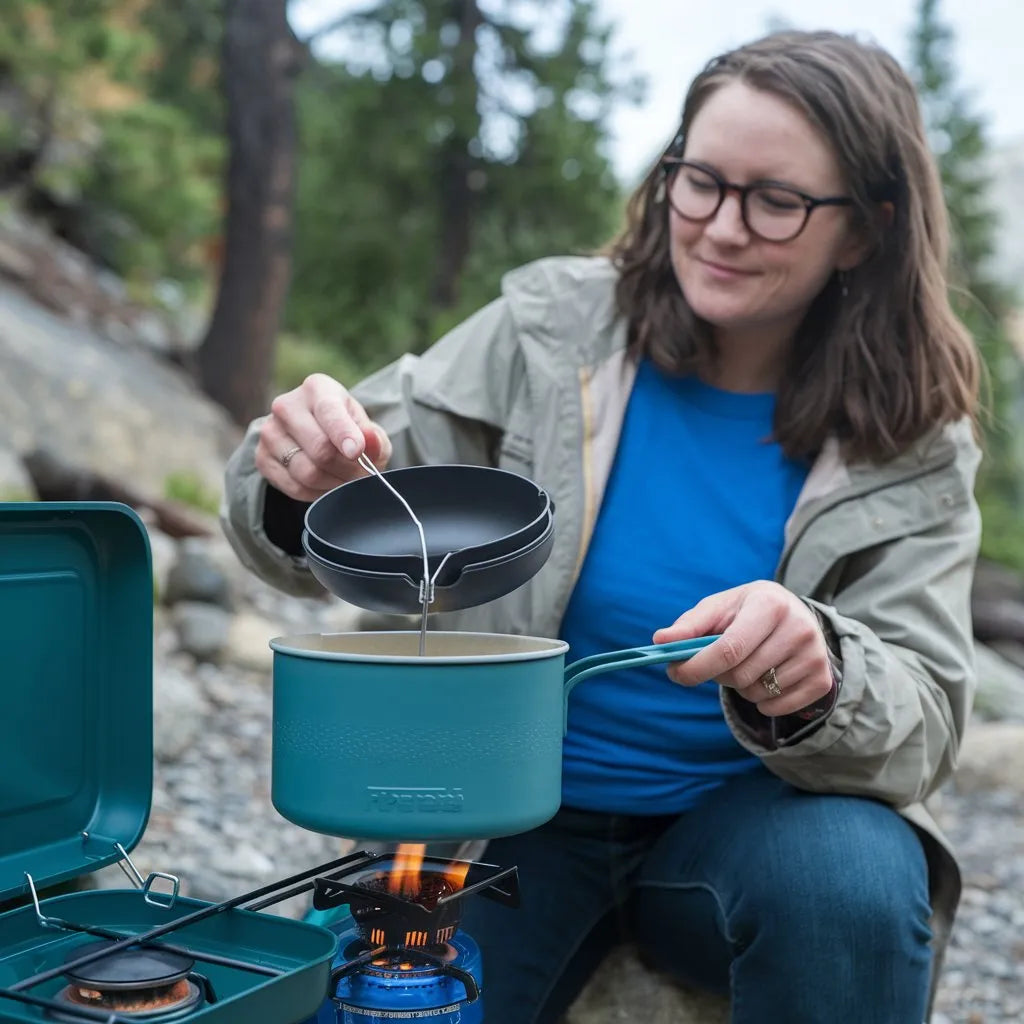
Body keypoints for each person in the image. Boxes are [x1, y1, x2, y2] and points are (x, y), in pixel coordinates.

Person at [222, 29, 982, 1024]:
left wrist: (826, 672)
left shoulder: (913, 438)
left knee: (853, 884)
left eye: (775, 200)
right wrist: (302, 478)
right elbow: (352, 478)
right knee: (390, 999)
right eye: (698, 181)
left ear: (865, 230)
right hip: (503, 814)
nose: (721, 227)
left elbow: (926, 717)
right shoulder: (552, 331)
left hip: (746, 831)